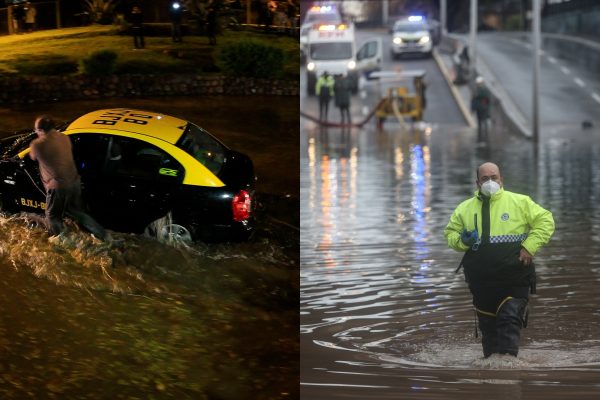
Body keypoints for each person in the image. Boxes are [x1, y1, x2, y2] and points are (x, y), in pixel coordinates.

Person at [444, 162, 554, 358]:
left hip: (515, 279)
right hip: (481, 284)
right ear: (477, 183)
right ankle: (492, 376)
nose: (490, 182)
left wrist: (529, 247)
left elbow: (545, 220)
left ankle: (509, 372)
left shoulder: (520, 202)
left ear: (501, 180)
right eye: (485, 178)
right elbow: (450, 236)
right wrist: (462, 240)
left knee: (509, 320)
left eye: (494, 177)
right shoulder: (464, 209)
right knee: (490, 335)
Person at [29, 115, 107, 241]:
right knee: (78, 212)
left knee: (52, 216)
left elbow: (32, 156)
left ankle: (62, 242)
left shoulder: (37, 144)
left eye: (36, 130)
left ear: (41, 131)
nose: (36, 132)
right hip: (75, 182)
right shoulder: (64, 137)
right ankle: (104, 235)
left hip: (58, 187)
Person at [471, 76, 491, 142]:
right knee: (483, 121)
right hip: (483, 107)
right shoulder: (484, 90)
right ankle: (484, 135)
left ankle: (481, 135)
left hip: (480, 108)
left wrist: (472, 109)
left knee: (480, 121)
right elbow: (488, 100)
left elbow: (473, 100)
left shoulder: (477, 91)